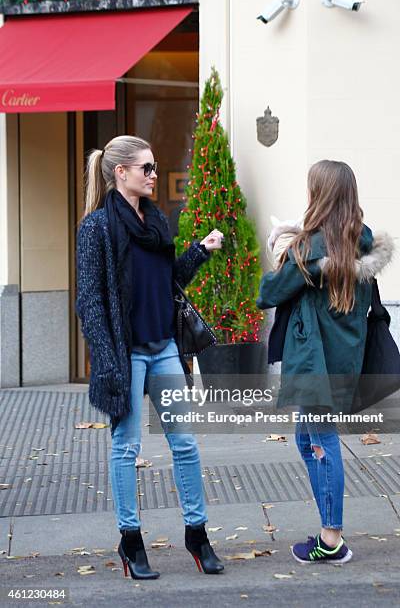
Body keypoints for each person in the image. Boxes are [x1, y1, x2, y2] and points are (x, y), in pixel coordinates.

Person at [76, 135, 225, 579]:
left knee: (185, 444)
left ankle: (197, 535)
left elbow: (167, 283)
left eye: (155, 166)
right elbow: (89, 301)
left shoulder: (157, 221)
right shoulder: (97, 227)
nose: (154, 174)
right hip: (125, 356)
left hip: (163, 349)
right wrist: (108, 362)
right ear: (121, 172)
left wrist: (199, 251)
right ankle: (131, 542)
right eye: (147, 168)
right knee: (126, 449)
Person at [256, 160, 394, 564]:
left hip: (315, 361)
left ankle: (331, 539)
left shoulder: (311, 248)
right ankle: (329, 529)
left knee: (320, 440)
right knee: (307, 438)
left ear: (321, 195)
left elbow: (269, 292)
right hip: (344, 358)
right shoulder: (361, 241)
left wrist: (280, 244)